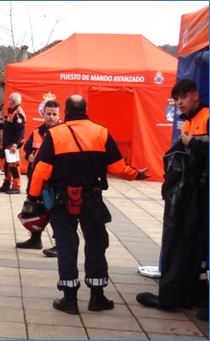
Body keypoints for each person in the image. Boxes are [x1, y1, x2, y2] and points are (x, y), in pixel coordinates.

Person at [25, 94, 149, 315]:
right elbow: (118, 167)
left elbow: (41, 170)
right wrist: (137, 175)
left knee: (66, 246)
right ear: (86, 110)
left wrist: (32, 198)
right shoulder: (101, 132)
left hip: (62, 201)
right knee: (96, 244)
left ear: (65, 112)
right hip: (92, 200)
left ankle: (69, 299)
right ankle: (97, 296)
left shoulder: (55, 134)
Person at [136, 79, 209, 320]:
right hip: (190, 196)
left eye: (183, 97)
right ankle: (189, 295)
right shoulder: (188, 122)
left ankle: (182, 295)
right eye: (176, 99)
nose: (179, 103)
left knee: (190, 244)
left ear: (195, 95)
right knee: (190, 246)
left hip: (200, 195)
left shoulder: (205, 118)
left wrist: (193, 143)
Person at [17, 100, 60, 257]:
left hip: (54, 181)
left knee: (56, 213)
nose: (51, 117)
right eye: (48, 113)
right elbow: (25, 149)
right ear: (43, 114)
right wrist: (29, 156)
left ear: (59, 115)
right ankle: (35, 239)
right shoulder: (37, 132)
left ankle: (58, 244)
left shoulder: (62, 132)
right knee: (34, 209)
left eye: (54, 114)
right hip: (36, 179)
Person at [0, 92, 26, 194]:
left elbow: (20, 131)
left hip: (13, 143)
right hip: (8, 143)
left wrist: (15, 144)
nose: (8, 102)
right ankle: (6, 184)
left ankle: (16, 186)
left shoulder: (18, 113)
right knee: (7, 165)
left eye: (9, 100)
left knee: (14, 166)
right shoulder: (12, 112)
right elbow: (9, 126)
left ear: (13, 101)